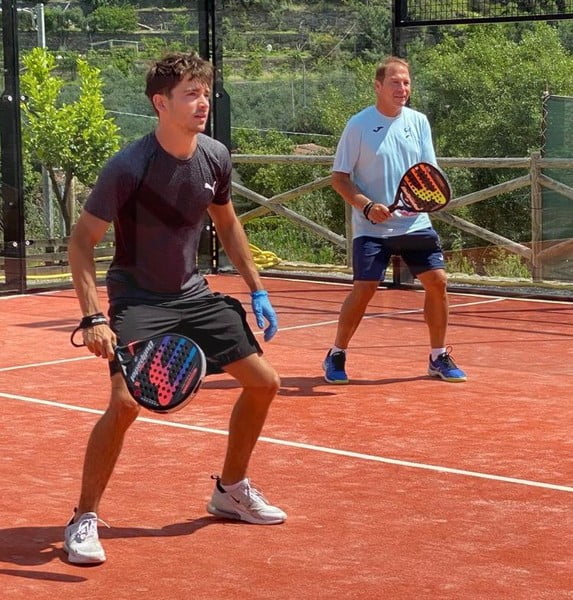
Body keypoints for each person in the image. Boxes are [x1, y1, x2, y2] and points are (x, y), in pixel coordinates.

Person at [64, 52, 286, 565]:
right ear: (160, 103)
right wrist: (94, 315)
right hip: (139, 299)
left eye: (205, 91)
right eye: (190, 93)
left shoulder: (214, 156)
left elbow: (227, 223)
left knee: (264, 382)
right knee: (124, 404)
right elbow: (81, 243)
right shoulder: (128, 167)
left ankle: (229, 491)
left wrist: (256, 288)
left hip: (193, 294)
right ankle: (84, 517)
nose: (202, 101)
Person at [322, 56, 467, 385]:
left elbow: (429, 174)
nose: (402, 88)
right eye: (395, 82)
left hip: (415, 225)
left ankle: (438, 356)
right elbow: (340, 178)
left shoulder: (419, 122)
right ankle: (336, 354)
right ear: (377, 86)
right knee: (365, 288)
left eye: (406, 82)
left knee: (438, 282)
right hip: (371, 228)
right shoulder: (358, 125)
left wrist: (423, 200)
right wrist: (367, 205)